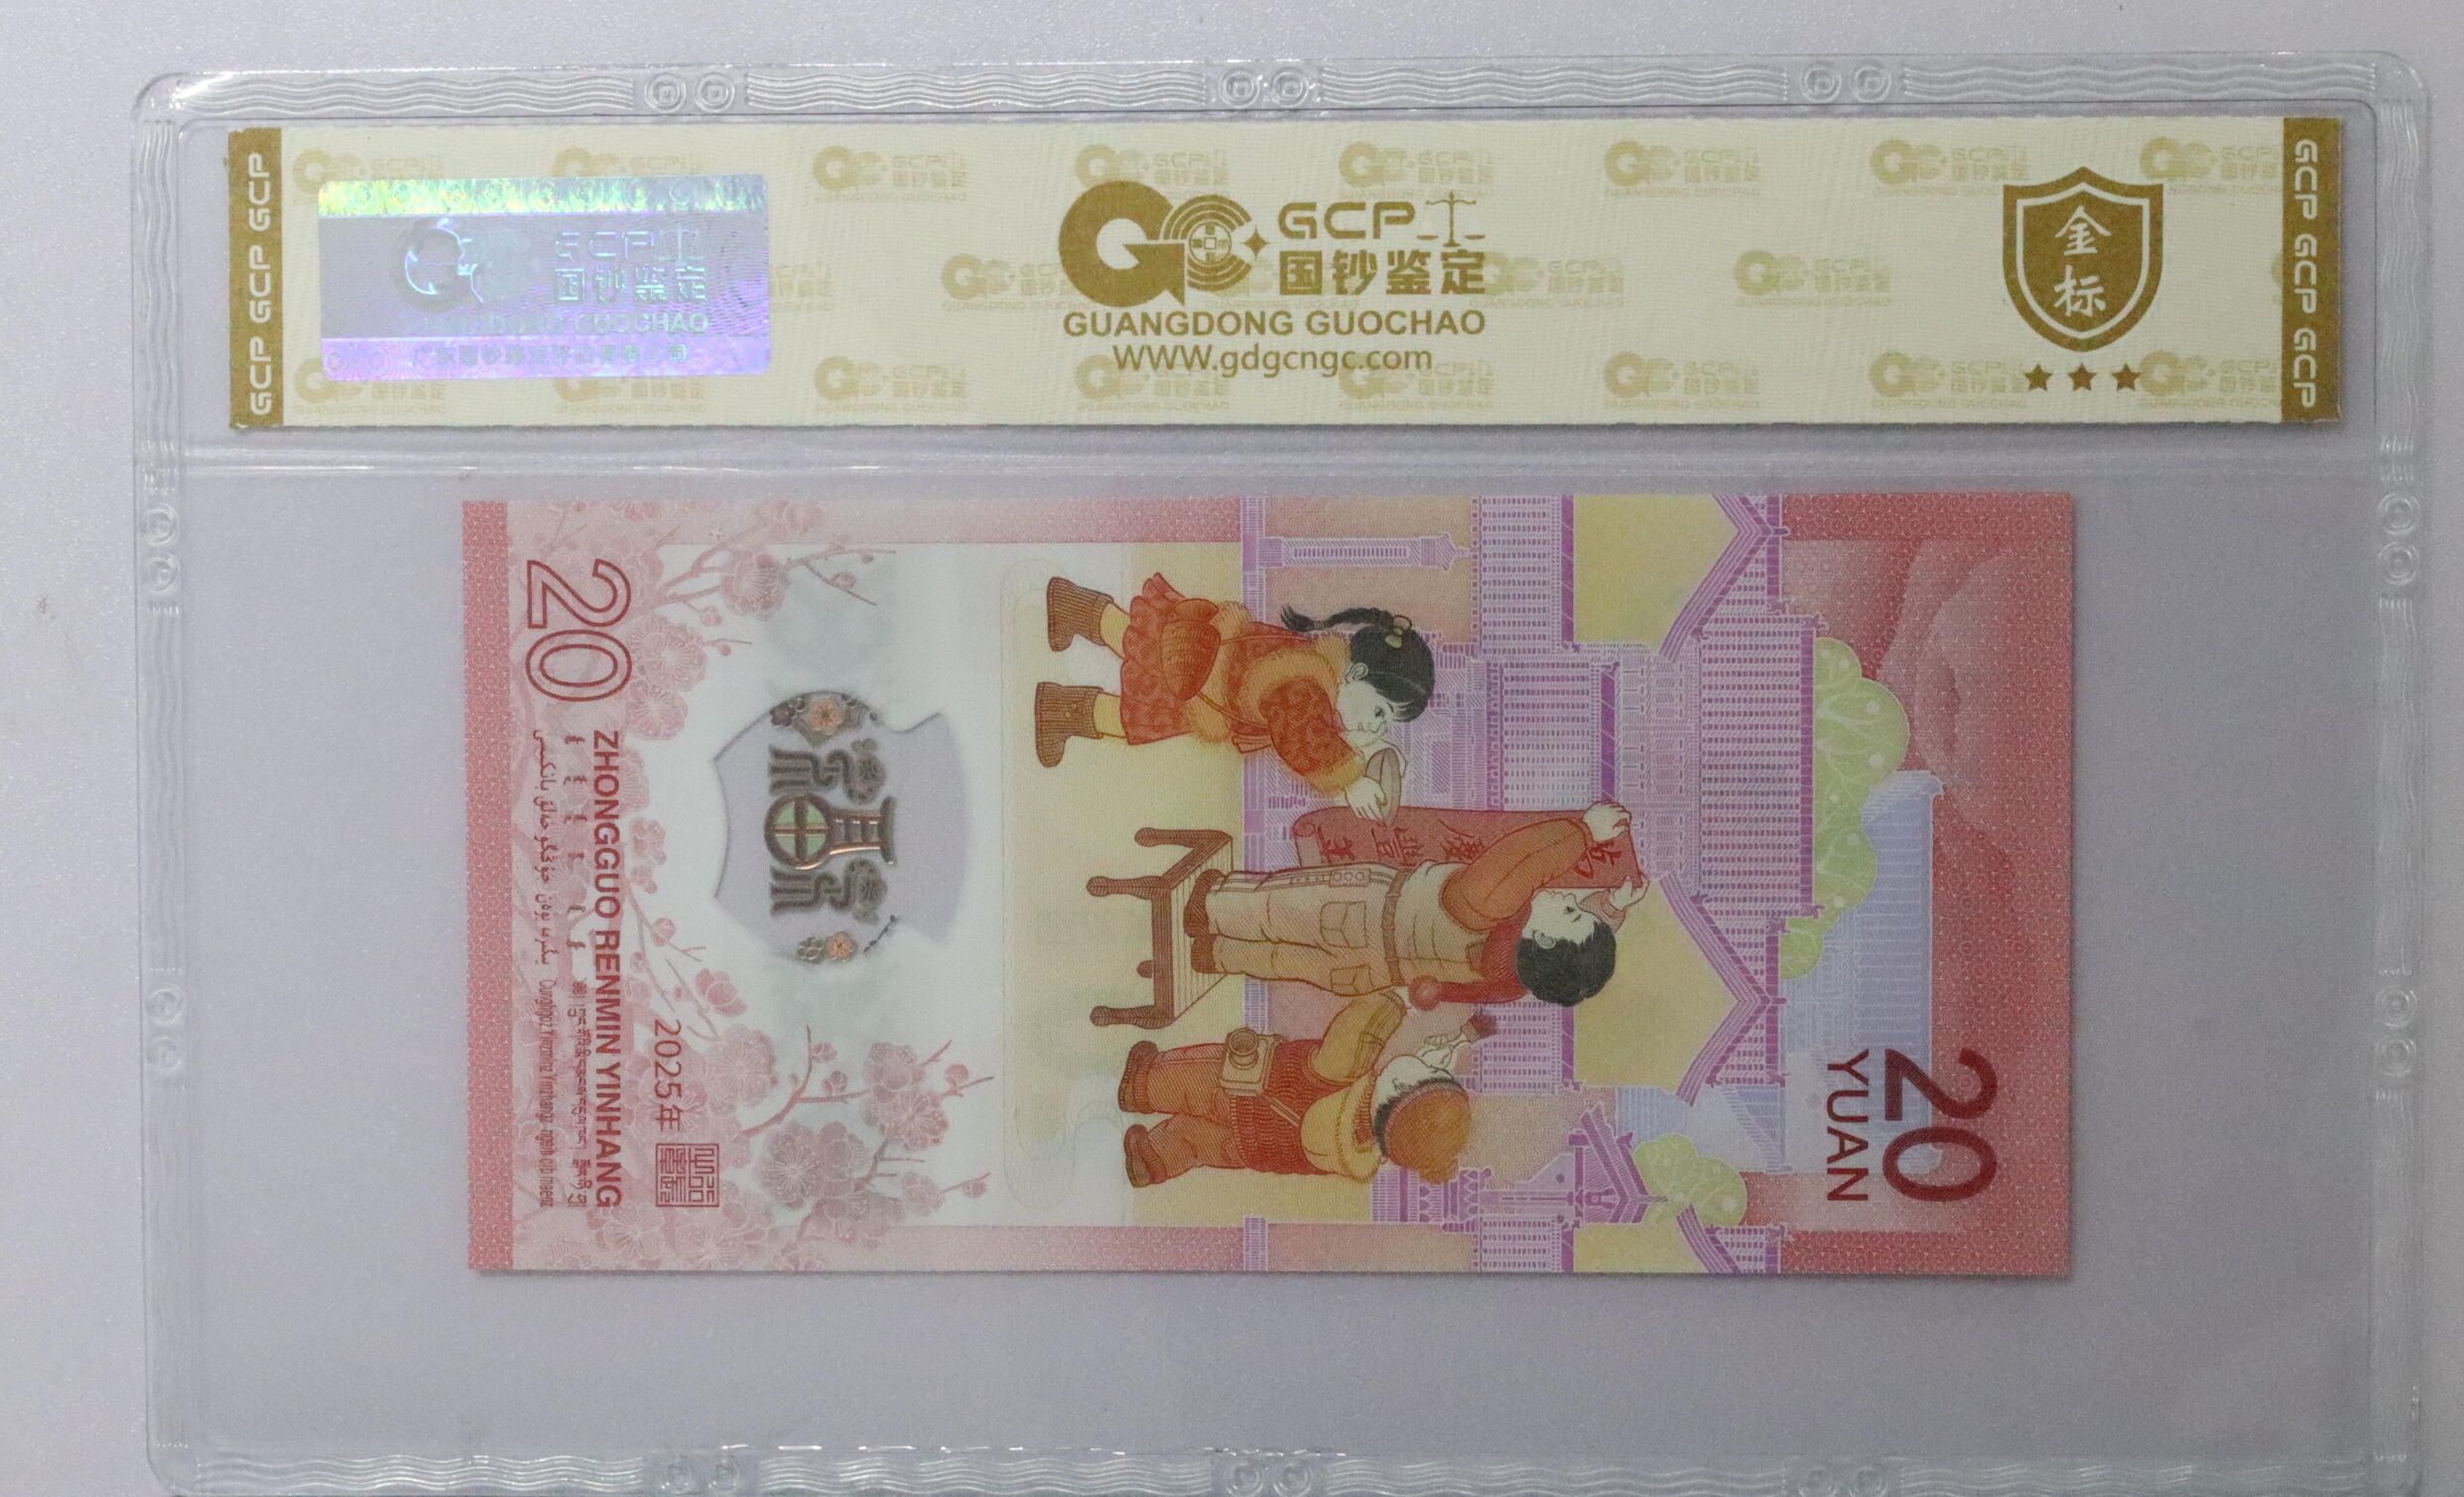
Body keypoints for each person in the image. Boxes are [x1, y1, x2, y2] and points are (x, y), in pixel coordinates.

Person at [1035, 573, 1434, 818]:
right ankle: (1059, 707)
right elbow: (1302, 738)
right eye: (1381, 712)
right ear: (1358, 674)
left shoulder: (1322, 673)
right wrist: (1349, 782)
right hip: (1206, 682)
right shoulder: (1307, 686)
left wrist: (1377, 752)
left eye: (1386, 724)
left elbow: (1323, 729)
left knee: (1139, 639)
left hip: (1212, 664)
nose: (1377, 726)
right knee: (1135, 712)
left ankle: (1072, 611)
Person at [1186, 802, 1645, 1009]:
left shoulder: (1490, 905)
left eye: (1571, 911)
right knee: (1284, 961)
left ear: (1541, 937)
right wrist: (1610, 907)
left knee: (1278, 909)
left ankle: (1211, 906)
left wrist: (1584, 832)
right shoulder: (1514, 982)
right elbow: (1569, 960)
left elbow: (1520, 862)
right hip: (1369, 973)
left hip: (1360, 911)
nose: (1567, 898)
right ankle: (1218, 954)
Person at [1116, 994, 1495, 1186]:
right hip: (1253, 1149)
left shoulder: (1345, 1073)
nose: (1430, 1061)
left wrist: (1394, 1002)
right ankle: (1153, 1159)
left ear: (1400, 1086)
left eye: (1429, 1071)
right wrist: (1464, 1037)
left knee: (1194, 1080)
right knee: (1196, 1143)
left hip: (1245, 1092)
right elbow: (1431, 1059)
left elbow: (1357, 1029)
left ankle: (1143, 1083)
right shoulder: (1357, 1152)